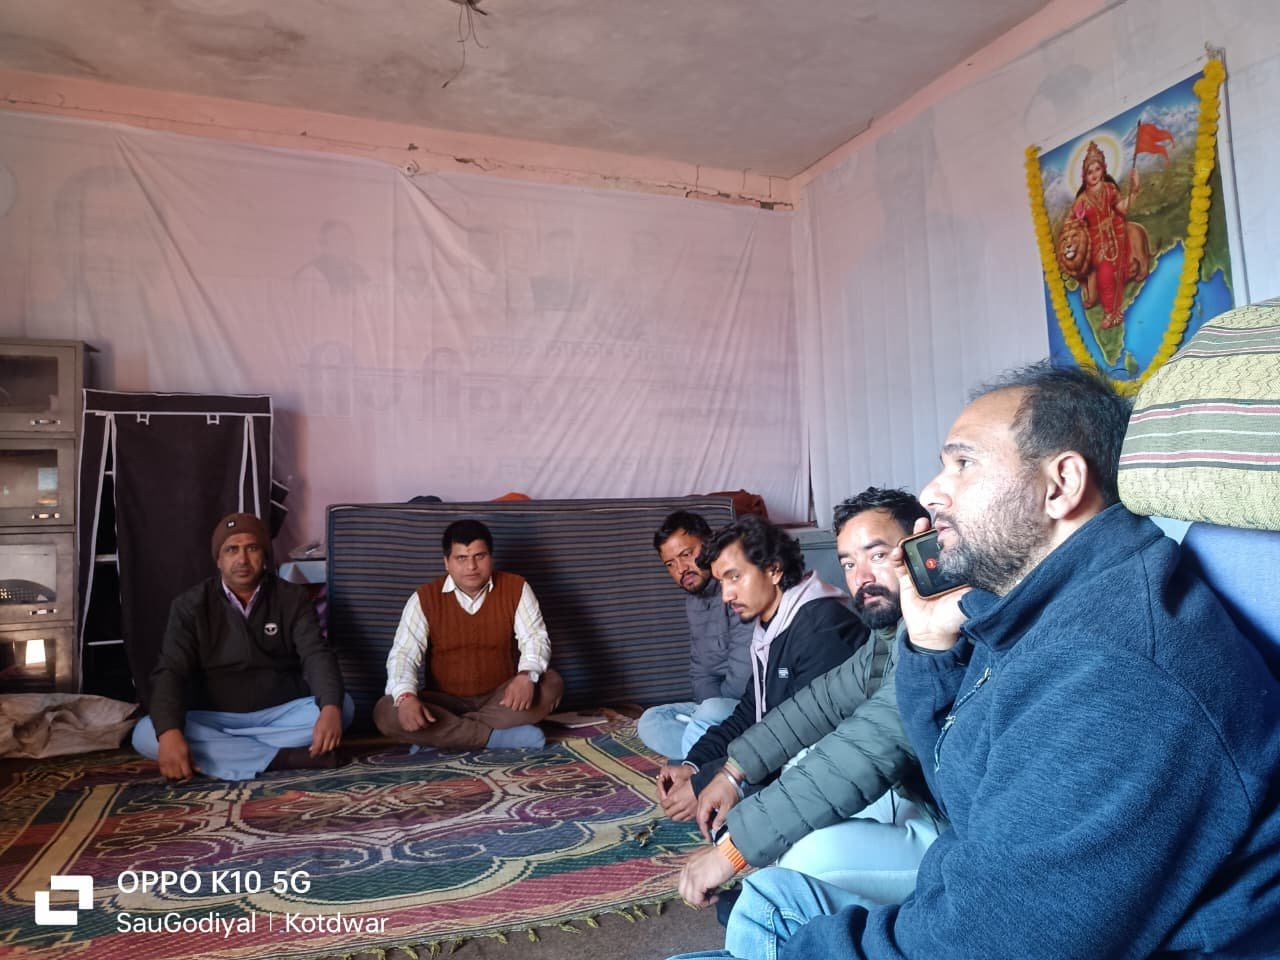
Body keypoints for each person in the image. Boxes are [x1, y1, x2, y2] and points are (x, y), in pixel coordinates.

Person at [667, 361, 1280, 960]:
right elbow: (964, 790)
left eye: (964, 463)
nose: (933, 493)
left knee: (772, 918)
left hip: (987, 925)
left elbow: (986, 939)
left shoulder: (1114, 673)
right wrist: (930, 652)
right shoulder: (1032, 610)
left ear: (1061, 485)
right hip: (965, 887)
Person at [677, 489, 943, 911]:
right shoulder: (893, 634)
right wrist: (731, 772)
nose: (861, 577)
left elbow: (872, 743)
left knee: (803, 860)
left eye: (877, 555)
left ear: (923, 548)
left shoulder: (942, 633)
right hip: (914, 800)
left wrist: (735, 850)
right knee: (797, 818)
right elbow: (819, 703)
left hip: (957, 836)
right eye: (849, 563)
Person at [656, 515, 867, 822]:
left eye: (734, 577)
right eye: (722, 582)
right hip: (786, 753)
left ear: (773, 570)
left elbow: (797, 733)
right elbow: (749, 714)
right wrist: (693, 766)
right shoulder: (770, 627)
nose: (726, 595)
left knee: (739, 821)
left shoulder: (820, 626)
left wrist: (713, 781)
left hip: (834, 770)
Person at [132, 512, 353, 781]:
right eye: (231, 550)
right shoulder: (190, 605)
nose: (242, 559)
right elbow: (170, 671)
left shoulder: (291, 597)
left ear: (264, 555)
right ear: (218, 559)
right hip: (214, 718)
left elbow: (316, 654)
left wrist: (329, 708)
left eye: (252, 548)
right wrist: (169, 733)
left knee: (343, 707)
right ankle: (284, 759)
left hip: (280, 715)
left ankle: (231, 755)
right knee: (146, 733)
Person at [374, 519, 564, 750]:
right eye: (461, 558)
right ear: (447, 563)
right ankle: (495, 738)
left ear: (490, 557)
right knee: (386, 710)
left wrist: (525, 676)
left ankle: (440, 736)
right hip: (444, 703)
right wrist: (406, 698)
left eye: (479, 556)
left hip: (501, 698)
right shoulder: (424, 598)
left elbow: (535, 638)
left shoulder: (516, 587)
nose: (471, 566)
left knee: (551, 683)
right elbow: (404, 654)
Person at [637, 511, 755, 760]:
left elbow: (744, 672)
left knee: (709, 711)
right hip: (716, 710)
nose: (681, 569)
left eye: (686, 554)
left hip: (749, 706)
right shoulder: (693, 603)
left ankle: (707, 752)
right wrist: (707, 712)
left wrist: (711, 713)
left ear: (709, 543)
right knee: (651, 720)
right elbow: (700, 670)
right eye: (670, 564)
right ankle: (724, 752)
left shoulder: (736, 588)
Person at [1067, 140, 1146, 329]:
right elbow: (1071, 223)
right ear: (1085, 176)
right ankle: (1110, 312)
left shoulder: (1110, 189)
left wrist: (1134, 190)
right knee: (1104, 275)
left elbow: (1121, 208)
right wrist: (1078, 223)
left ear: (1103, 169)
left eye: (1097, 169)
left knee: (1123, 268)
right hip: (1097, 241)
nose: (1094, 174)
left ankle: (1117, 311)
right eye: (1090, 171)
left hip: (1117, 232)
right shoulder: (1082, 200)